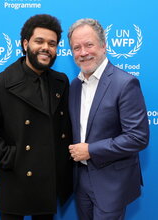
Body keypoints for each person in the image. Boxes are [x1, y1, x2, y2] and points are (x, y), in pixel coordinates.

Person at [0, 14, 73, 220]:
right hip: (16, 181)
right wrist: (10, 157)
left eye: (52, 44)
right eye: (39, 41)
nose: (46, 47)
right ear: (25, 44)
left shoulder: (60, 82)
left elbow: (63, 128)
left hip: (48, 182)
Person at [68, 18, 149, 220]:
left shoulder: (125, 83)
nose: (83, 52)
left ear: (104, 46)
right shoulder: (74, 86)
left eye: (89, 44)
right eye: (76, 48)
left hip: (111, 182)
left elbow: (138, 137)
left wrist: (90, 150)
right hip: (81, 182)